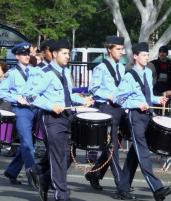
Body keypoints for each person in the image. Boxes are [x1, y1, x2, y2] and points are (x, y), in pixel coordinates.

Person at [24, 39, 94, 201]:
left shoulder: (66, 72)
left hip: (67, 117)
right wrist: (50, 105)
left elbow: (68, 95)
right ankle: (61, 195)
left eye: (68, 53)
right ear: (54, 54)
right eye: (64, 53)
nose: (67, 56)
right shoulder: (45, 73)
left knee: (66, 156)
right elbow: (30, 96)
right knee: (58, 157)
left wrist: (83, 100)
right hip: (52, 119)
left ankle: (42, 177)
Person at [114, 42, 171, 201]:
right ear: (135, 56)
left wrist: (157, 99)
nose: (147, 57)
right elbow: (118, 99)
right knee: (143, 153)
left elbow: (147, 96)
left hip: (147, 115)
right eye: (144, 55)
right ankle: (157, 188)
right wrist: (136, 104)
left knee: (135, 154)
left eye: (148, 55)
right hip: (135, 117)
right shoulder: (129, 76)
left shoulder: (147, 72)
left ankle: (122, 187)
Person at [85, 35, 125, 190]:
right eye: (118, 49)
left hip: (120, 109)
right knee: (111, 146)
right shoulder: (100, 68)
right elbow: (93, 89)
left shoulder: (121, 67)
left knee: (111, 146)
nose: (121, 52)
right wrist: (109, 95)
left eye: (122, 49)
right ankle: (121, 184)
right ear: (109, 50)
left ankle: (94, 174)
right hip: (107, 109)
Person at [0, 42, 39, 185]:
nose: (27, 56)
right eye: (23, 54)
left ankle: (11, 171)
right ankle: (33, 177)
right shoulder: (12, 73)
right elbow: (2, 92)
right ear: (17, 56)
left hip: (36, 109)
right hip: (21, 111)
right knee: (28, 144)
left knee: (28, 144)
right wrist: (17, 98)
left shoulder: (34, 71)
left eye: (28, 53)